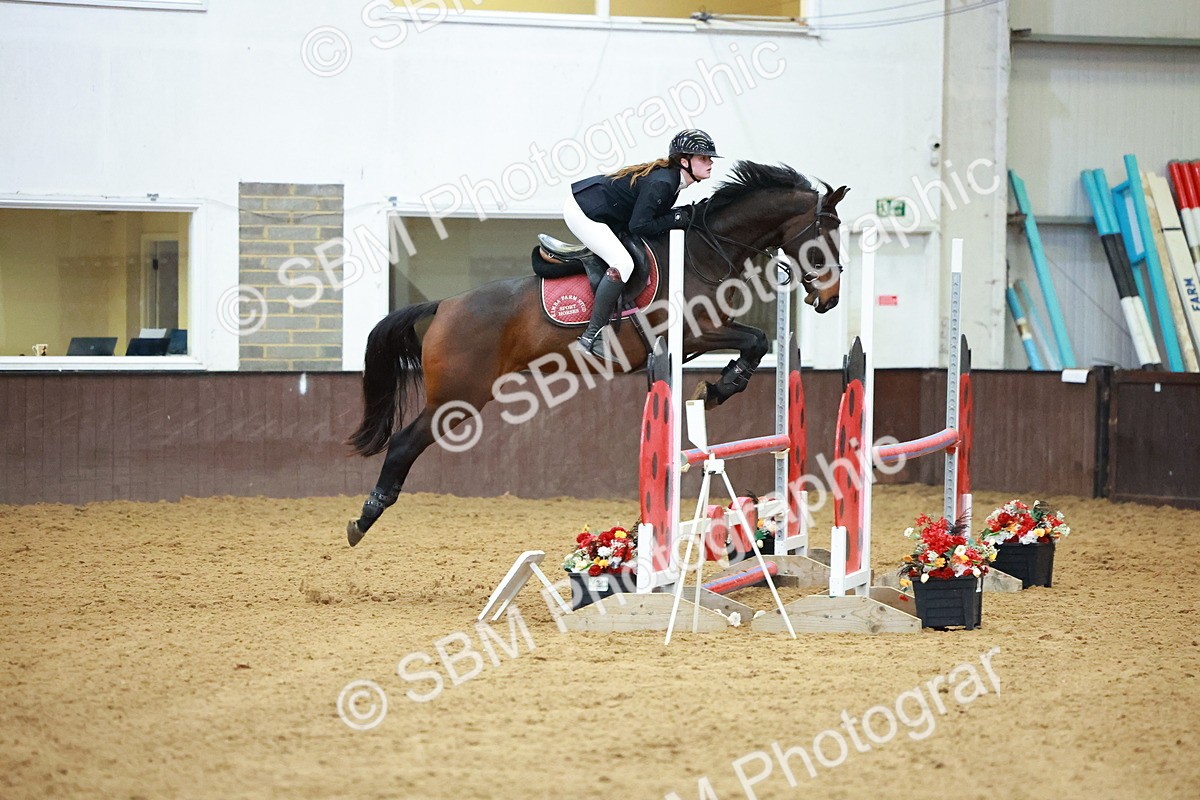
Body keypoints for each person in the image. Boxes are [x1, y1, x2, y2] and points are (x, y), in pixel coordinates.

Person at [564, 128, 720, 361]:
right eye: (703, 158)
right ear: (684, 161)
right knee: (623, 264)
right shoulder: (664, 183)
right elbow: (639, 225)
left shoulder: (673, 181)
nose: (710, 163)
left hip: (603, 212)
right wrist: (677, 218)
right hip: (583, 211)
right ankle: (590, 337)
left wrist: (678, 216)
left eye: (710, 158)